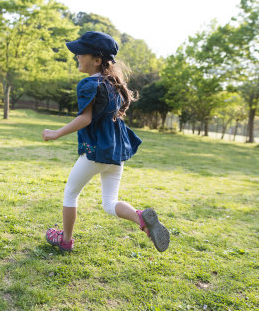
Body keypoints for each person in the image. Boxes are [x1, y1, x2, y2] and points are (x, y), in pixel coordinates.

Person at [41, 31, 170, 253]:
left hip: (96, 153)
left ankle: (66, 240)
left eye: (81, 53)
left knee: (70, 193)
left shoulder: (89, 84)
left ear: (97, 60)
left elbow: (86, 118)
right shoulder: (114, 84)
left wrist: (56, 133)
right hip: (116, 154)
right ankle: (140, 219)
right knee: (110, 202)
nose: (77, 57)